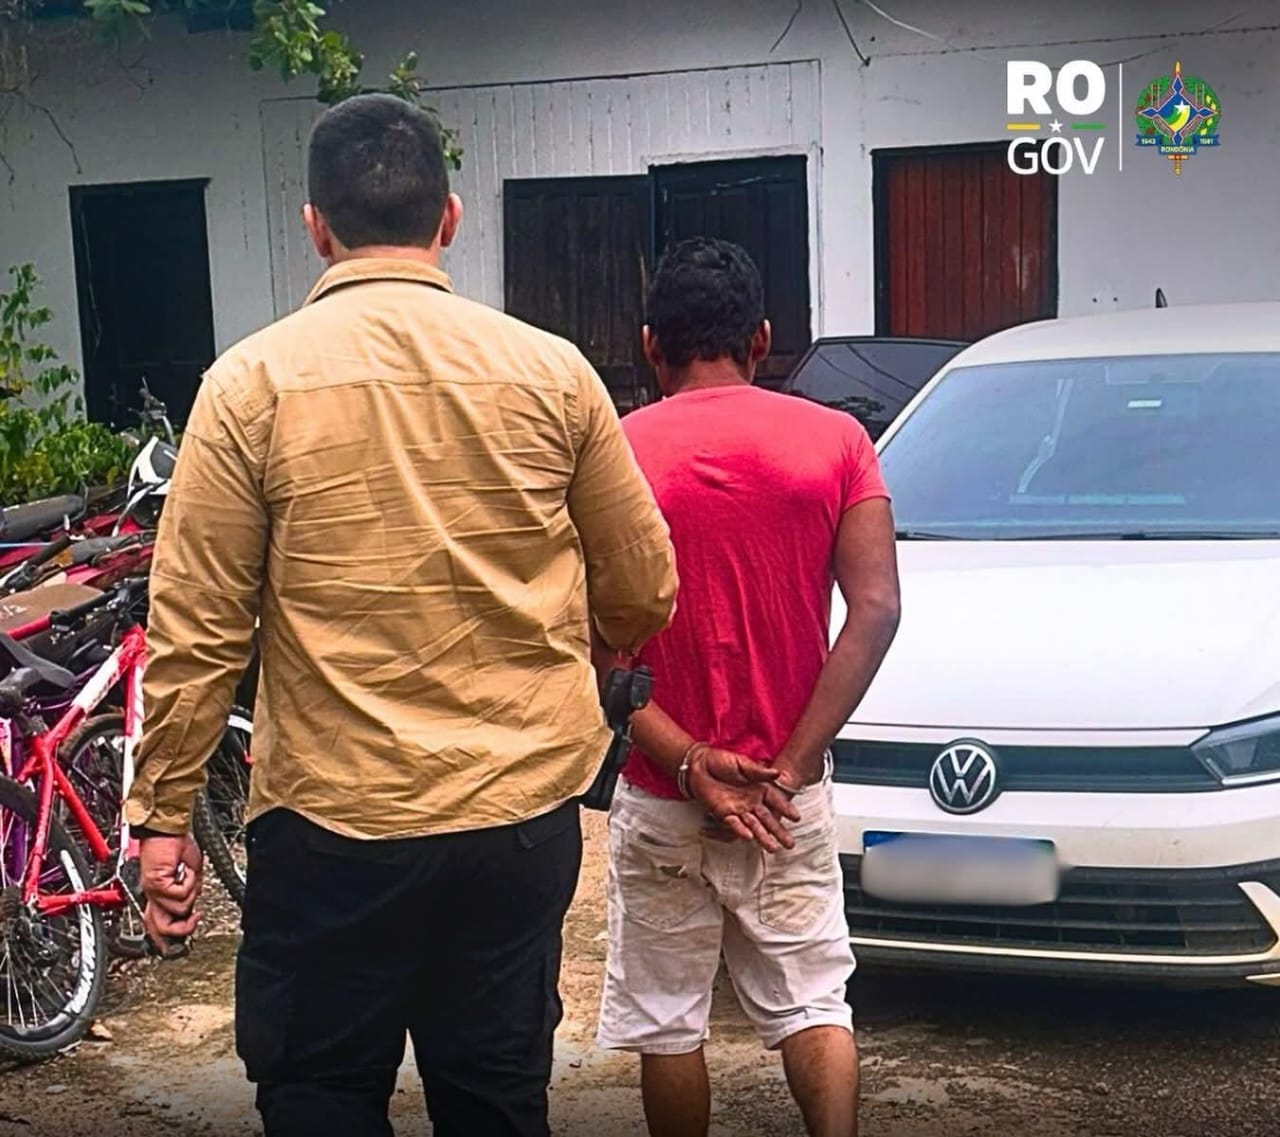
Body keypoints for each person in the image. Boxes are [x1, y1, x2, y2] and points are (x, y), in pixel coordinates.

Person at [125, 93, 678, 1137]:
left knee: (321, 1092)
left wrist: (163, 817)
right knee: (495, 1097)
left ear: (315, 228)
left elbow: (198, 626)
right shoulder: (553, 373)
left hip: (332, 823)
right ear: (450, 219)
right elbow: (645, 583)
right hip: (515, 817)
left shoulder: (248, 386)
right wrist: (589, 636)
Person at [595, 238, 901, 1137]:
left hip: (664, 787)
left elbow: (592, 644)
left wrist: (690, 762)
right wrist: (791, 768)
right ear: (761, 339)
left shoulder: (614, 454)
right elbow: (877, 607)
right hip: (782, 793)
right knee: (814, 1001)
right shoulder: (839, 442)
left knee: (667, 1023)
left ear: (650, 346)